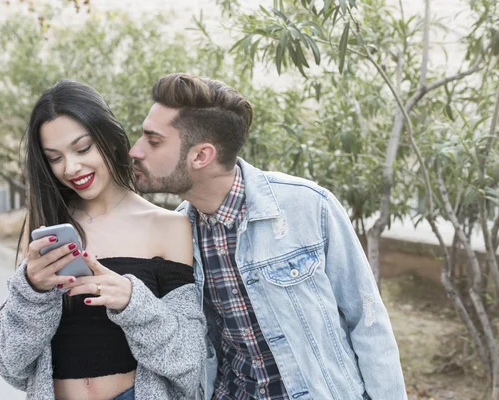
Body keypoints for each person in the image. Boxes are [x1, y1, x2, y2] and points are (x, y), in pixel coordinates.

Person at [129, 73, 407, 400]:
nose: (136, 150)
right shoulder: (175, 234)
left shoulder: (307, 207)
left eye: (153, 140)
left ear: (201, 156)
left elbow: (369, 324)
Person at [0, 79, 206, 400]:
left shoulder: (168, 226)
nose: (71, 167)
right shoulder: (43, 229)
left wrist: (133, 302)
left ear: (109, 138)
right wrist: (33, 291)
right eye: (54, 157)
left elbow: (189, 362)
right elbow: (10, 365)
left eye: (83, 148)